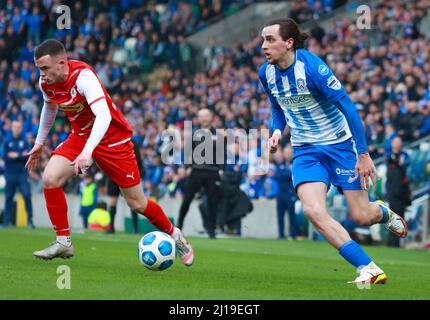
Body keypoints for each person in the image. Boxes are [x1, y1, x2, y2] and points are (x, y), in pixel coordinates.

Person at [259, 18, 407, 285]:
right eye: (262, 40)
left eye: (270, 40)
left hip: (340, 146)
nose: (263, 46)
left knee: (362, 215)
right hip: (305, 150)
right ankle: (368, 267)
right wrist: (277, 132)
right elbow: (278, 107)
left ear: (289, 43)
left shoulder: (313, 68)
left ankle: (383, 212)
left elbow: (349, 107)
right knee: (313, 211)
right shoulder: (265, 73)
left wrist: (363, 155)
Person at [26, 39, 194, 266]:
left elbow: (104, 116)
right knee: (50, 178)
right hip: (82, 135)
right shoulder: (46, 82)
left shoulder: (84, 77)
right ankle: (63, 241)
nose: (42, 74)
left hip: (114, 139)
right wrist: (40, 142)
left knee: (137, 203)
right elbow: (50, 107)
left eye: (45, 68)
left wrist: (88, 153)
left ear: (62, 63)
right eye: (39, 69)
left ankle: (175, 235)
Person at [176, 108, 223, 239]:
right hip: (196, 171)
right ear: (198, 118)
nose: (204, 119)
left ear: (211, 117)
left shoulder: (218, 135)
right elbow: (187, 152)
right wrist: (188, 166)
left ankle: (212, 230)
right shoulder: (194, 134)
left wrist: (221, 168)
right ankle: (179, 226)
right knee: (187, 199)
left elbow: (222, 154)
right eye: (201, 116)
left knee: (213, 202)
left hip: (212, 172)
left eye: (206, 116)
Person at [1, 121, 34, 228]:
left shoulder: (25, 142)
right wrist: (21, 155)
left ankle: (30, 221)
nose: (16, 129)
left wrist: (16, 155)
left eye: (18, 127)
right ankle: (6, 222)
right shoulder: (7, 142)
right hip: (10, 174)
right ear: (12, 128)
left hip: (22, 174)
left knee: (27, 195)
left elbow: (28, 157)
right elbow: (5, 158)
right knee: (8, 197)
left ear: (21, 129)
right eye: (15, 127)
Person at [106, 139, 143, 234]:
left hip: (127, 174)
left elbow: (138, 160)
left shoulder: (133, 143)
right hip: (113, 175)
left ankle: (135, 228)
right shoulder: (111, 141)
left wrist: (138, 175)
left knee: (133, 202)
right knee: (113, 201)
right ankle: (112, 227)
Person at [386, 137, 411, 247]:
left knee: (401, 217)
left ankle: (397, 243)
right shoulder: (389, 155)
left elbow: (405, 163)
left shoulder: (404, 155)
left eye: (399, 142)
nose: (397, 145)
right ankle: (392, 243)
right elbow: (392, 161)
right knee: (393, 218)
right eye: (395, 142)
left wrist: (399, 163)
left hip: (402, 192)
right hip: (392, 191)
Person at [273, 145, 298, 240]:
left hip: (291, 194)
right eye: (286, 152)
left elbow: (294, 176)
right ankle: (281, 234)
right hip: (281, 194)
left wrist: (287, 175)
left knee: (292, 215)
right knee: (280, 216)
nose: (287, 155)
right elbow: (278, 176)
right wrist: (289, 175)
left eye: (289, 153)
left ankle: (293, 234)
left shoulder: (295, 164)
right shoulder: (280, 165)